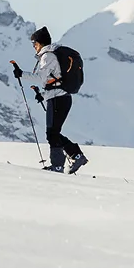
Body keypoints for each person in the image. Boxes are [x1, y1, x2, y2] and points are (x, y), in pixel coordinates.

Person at [16, 27, 87, 173]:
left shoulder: (47, 56)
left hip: (58, 99)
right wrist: (43, 95)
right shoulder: (51, 54)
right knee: (53, 133)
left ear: (40, 43)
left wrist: (21, 74)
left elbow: (41, 79)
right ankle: (75, 155)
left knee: (52, 133)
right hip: (60, 97)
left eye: (34, 43)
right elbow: (53, 80)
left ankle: (59, 165)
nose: (34, 47)